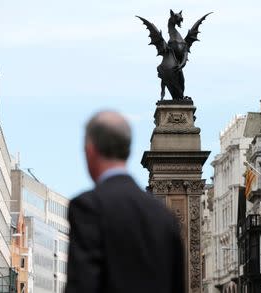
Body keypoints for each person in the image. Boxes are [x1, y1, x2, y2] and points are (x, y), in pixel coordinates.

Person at [66, 111, 185, 293]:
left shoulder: (88, 207)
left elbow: (83, 285)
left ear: (91, 150)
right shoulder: (165, 216)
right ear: (127, 150)